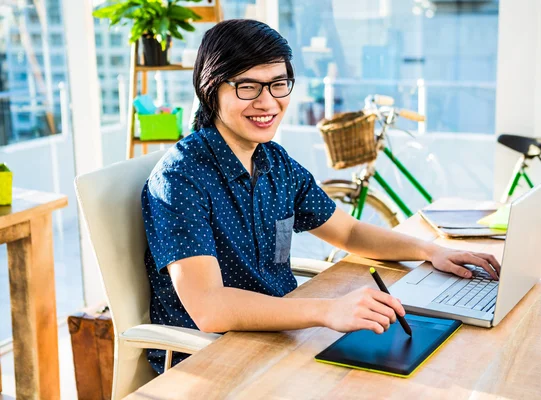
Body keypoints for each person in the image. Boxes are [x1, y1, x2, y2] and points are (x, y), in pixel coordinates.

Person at [142, 19, 500, 373]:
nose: (268, 103)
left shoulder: (275, 162)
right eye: (248, 87)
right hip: (212, 359)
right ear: (211, 90)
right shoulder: (180, 178)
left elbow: (349, 232)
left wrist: (431, 250)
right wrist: (328, 310)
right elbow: (210, 308)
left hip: (280, 335)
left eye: (278, 85)